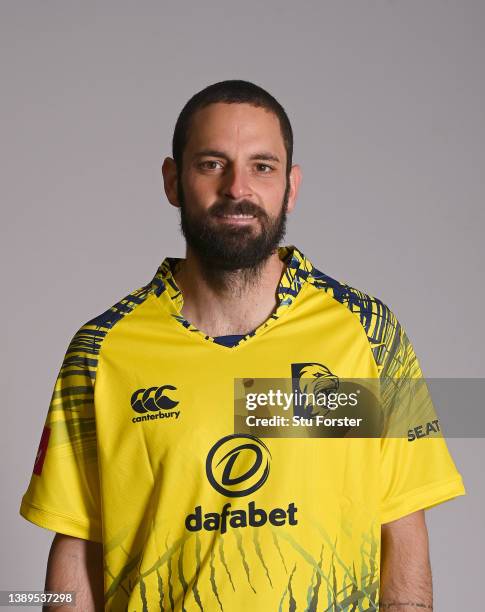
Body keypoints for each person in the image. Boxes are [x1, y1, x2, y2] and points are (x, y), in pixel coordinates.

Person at [20, 79, 465, 611]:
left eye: (262, 166)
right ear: (172, 180)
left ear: (291, 186)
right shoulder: (100, 351)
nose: (237, 188)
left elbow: (404, 530)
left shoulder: (367, 333)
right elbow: (75, 549)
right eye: (212, 163)